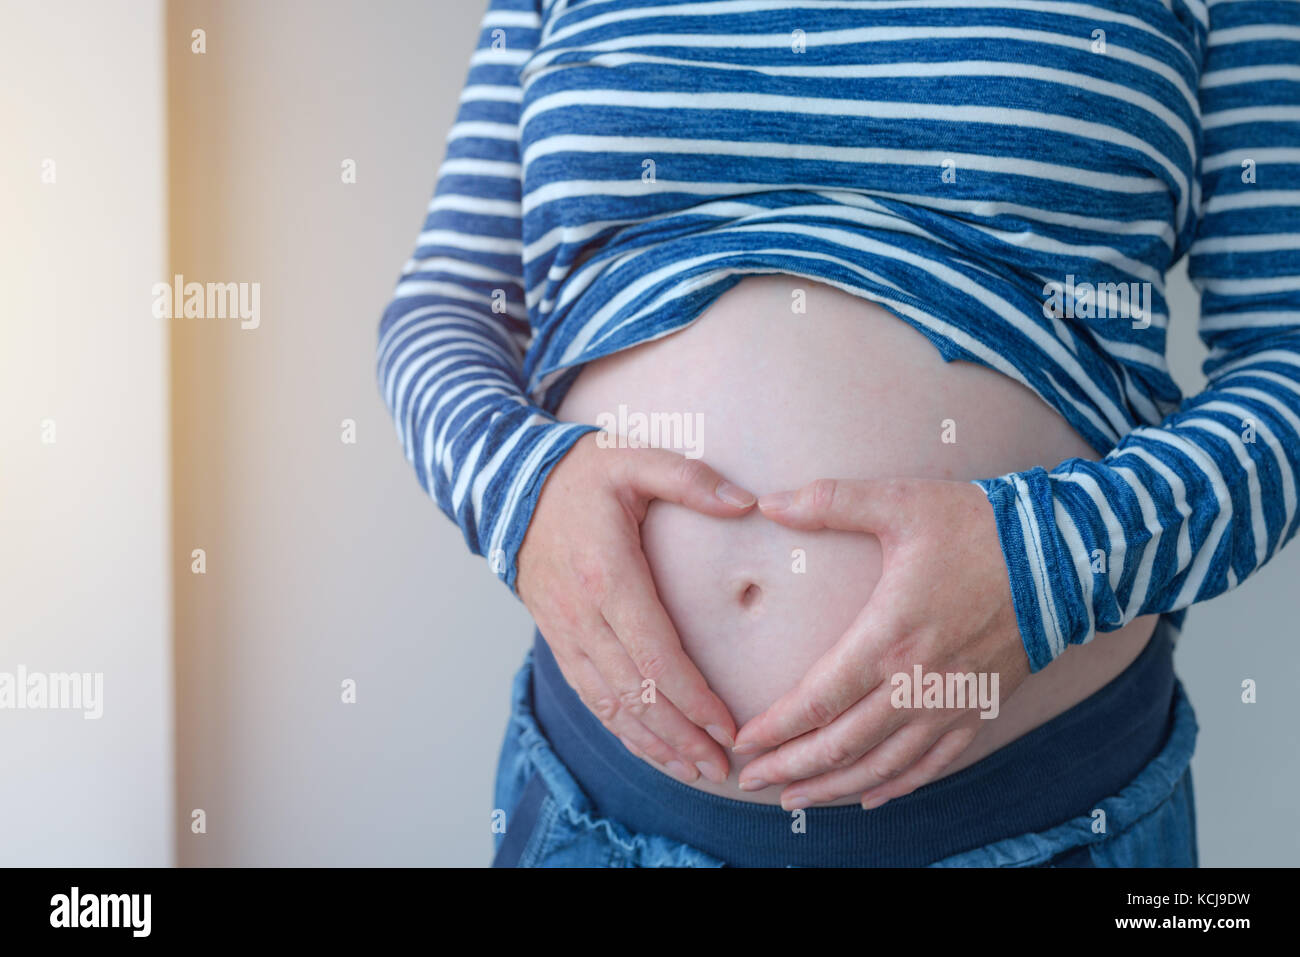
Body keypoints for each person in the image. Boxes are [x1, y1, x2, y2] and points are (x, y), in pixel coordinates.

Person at [377, 0, 1300, 867]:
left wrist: (1049, 565)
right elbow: (451, 300)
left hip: (1050, 821)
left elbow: (1285, 351)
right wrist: (522, 497)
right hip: (601, 810)